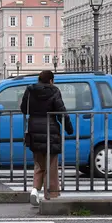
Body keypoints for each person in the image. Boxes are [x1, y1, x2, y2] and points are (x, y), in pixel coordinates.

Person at [20, 70, 74, 205]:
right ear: (51, 80)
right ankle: (49, 195)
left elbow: (23, 109)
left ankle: (34, 190)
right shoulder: (54, 91)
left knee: (39, 165)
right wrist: (69, 128)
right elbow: (62, 112)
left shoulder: (30, 90)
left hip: (33, 130)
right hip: (51, 131)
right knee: (51, 165)